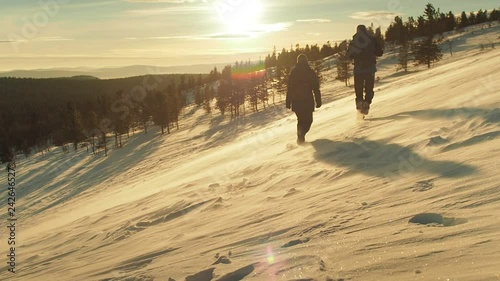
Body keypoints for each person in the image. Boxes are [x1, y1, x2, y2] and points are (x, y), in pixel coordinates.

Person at [347, 24, 383, 115]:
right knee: (369, 88)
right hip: (370, 69)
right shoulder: (372, 39)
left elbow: (349, 55)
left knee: (358, 89)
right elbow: (380, 52)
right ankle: (366, 102)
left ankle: (359, 103)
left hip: (358, 69)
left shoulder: (355, 41)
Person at [286, 54, 322, 144]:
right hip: (306, 101)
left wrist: (288, 101)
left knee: (301, 120)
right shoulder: (309, 72)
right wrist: (318, 100)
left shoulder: (294, 72)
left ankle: (300, 136)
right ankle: (301, 136)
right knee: (308, 120)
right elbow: (316, 88)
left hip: (297, 101)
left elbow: (290, 88)